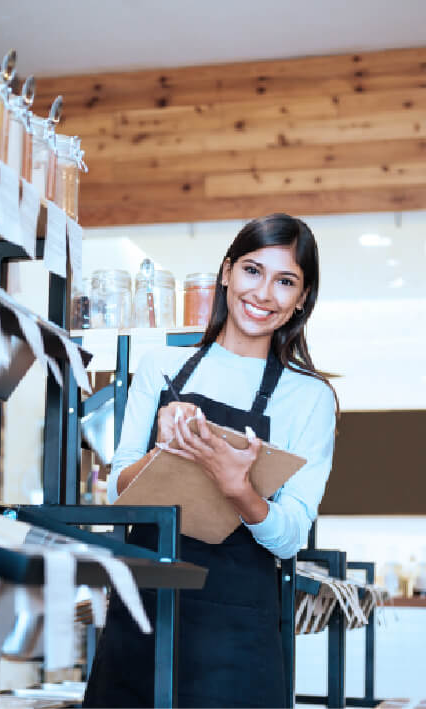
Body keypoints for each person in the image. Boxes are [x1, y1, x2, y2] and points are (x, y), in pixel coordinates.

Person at [83, 213, 338, 709]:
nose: (263, 293)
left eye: (285, 281)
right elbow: (119, 492)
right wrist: (166, 448)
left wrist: (239, 487)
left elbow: (290, 536)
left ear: (301, 299)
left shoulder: (309, 398)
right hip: (144, 617)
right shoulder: (162, 367)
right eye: (252, 271)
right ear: (226, 272)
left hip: (236, 631)